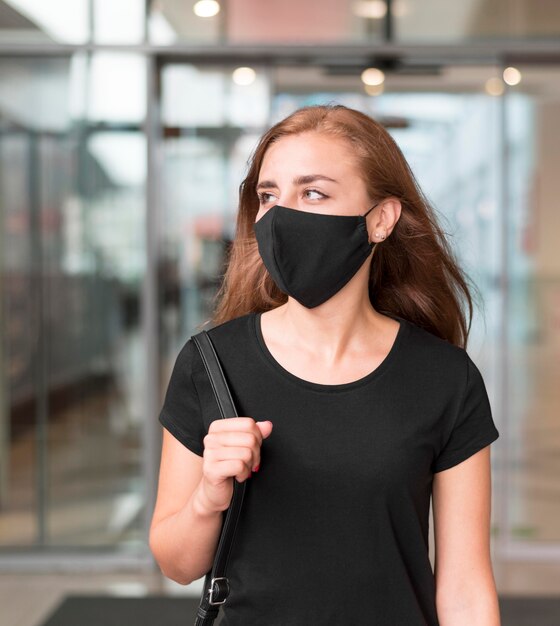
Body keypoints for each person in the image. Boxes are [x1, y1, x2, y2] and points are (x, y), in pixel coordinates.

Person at [149, 104, 501, 626]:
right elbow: (177, 566)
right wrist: (209, 497)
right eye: (269, 196)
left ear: (381, 219)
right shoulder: (212, 363)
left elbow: (466, 589)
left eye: (313, 192)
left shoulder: (446, 379)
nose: (282, 215)